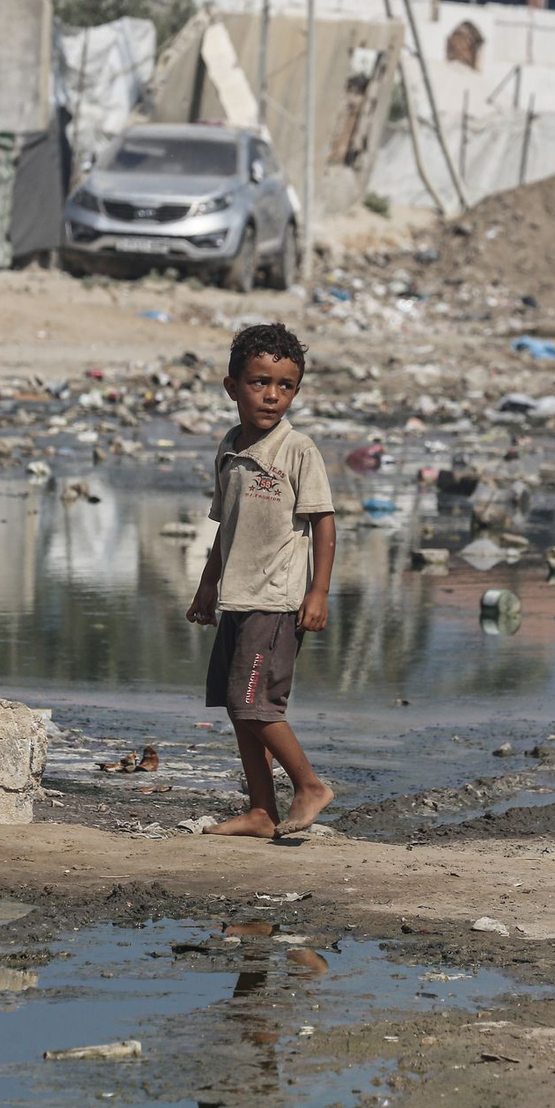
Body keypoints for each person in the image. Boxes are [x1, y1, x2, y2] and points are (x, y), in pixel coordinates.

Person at [186, 322, 337, 839]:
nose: (272, 396)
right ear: (232, 386)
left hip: (276, 600)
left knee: (255, 703)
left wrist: (318, 591)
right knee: (236, 706)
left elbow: (323, 521)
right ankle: (261, 810)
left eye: (285, 385)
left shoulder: (298, 450)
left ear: (296, 389)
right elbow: (224, 526)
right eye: (259, 382)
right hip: (236, 596)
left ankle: (310, 784)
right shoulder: (230, 446)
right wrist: (208, 586)